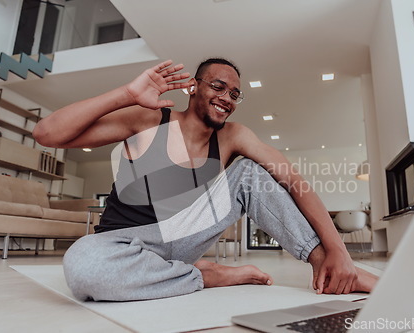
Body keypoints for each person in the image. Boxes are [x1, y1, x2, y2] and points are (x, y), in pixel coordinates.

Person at [33, 58, 377, 301]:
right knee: (82, 266)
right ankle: (206, 276)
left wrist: (337, 252)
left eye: (234, 94)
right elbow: (47, 133)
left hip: (183, 236)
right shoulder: (148, 120)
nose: (226, 98)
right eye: (218, 86)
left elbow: (295, 183)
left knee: (251, 174)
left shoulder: (233, 136)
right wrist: (126, 94)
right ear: (193, 87)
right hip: (122, 242)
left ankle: (328, 271)